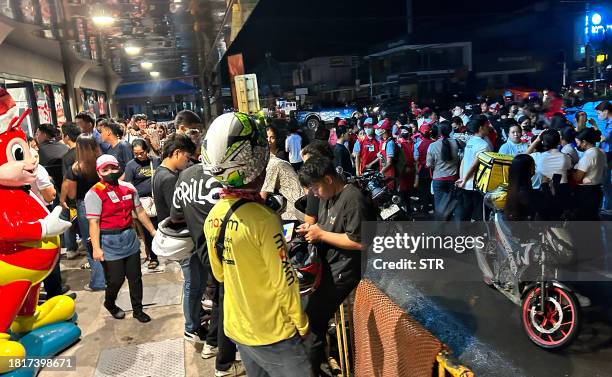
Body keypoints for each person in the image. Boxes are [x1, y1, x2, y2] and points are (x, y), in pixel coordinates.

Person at [202, 112, 310, 377]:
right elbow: (283, 281)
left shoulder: (213, 217)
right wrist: (302, 323)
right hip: (272, 332)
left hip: (237, 326)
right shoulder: (263, 219)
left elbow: (219, 274)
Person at [298, 156, 375, 375]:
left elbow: (360, 241)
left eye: (315, 187)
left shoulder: (353, 198)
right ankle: (321, 361)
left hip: (345, 271)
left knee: (312, 321)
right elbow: (325, 225)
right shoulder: (327, 195)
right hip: (325, 266)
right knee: (308, 315)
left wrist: (321, 234)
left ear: (329, 179)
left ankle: (311, 369)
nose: (313, 193)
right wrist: (311, 230)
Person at [86, 155, 155, 323]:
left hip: (129, 237)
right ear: (99, 173)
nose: (110, 172)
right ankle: (110, 303)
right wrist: (96, 248)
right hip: (109, 241)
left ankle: (138, 310)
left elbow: (139, 212)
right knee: (115, 280)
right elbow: (93, 222)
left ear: (119, 168)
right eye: (105, 169)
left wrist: (153, 232)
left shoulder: (129, 188)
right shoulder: (94, 193)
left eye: (113, 168)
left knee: (135, 277)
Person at [65, 135, 105, 290]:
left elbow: (72, 195)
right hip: (103, 202)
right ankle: (112, 277)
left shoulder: (75, 169)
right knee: (104, 240)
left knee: (90, 243)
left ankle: (99, 282)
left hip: (85, 206)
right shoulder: (102, 164)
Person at [124, 139, 162, 269]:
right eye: (136, 153)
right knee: (147, 231)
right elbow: (129, 185)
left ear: (146, 150)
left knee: (158, 227)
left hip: (156, 200)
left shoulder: (155, 161)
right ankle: (153, 256)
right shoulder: (131, 165)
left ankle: (158, 252)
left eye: (141, 153)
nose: (139, 156)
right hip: (141, 202)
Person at [456, 117, 493, 221]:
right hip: (476, 184)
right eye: (486, 126)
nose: (488, 128)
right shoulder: (483, 145)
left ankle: (464, 234)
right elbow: (474, 165)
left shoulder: (470, 141)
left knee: (466, 211)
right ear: (480, 128)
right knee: (478, 213)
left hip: (466, 183)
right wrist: (464, 178)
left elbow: (463, 160)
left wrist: (462, 178)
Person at [59, 122, 82, 259]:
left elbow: (66, 180)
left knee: (69, 222)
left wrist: (63, 199)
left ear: (67, 136)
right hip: (90, 193)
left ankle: (71, 249)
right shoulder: (87, 151)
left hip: (74, 197)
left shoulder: (67, 157)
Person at [572, 128, 606, 220]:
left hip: (586, 193)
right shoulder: (601, 152)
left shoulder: (588, 156)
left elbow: (577, 177)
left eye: (578, 142)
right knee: (593, 217)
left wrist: (570, 169)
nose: (577, 145)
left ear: (584, 142)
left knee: (584, 219)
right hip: (597, 190)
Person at [426, 122, 461, 212]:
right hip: (454, 179)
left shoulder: (432, 146)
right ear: (450, 130)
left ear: (438, 132)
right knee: (454, 205)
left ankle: (441, 225)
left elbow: (429, 164)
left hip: (438, 179)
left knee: (440, 207)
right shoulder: (457, 142)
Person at [301, 141, 335, 225]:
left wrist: (320, 234)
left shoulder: (318, 189)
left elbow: (309, 222)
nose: (305, 169)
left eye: (309, 164)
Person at [504, 154, 542, 221]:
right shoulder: (524, 193)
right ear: (526, 170)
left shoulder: (513, 186)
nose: (535, 169)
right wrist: (545, 185)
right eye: (533, 166)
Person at [36, 123, 69, 199]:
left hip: (51, 193)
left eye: (37, 134)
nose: (36, 137)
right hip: (70, 188)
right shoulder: (65, 147)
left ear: (44, 134)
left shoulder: (38, 152)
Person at [595, 101, 612, 212]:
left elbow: (604, 138)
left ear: (605, 111)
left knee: (605, 181)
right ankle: (607, 206)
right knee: (605, 181)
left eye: (599, 113)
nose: (598, 116)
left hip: (609, 154)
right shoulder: (608, 122)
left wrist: (595, 127)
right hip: (607, 153)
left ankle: (608, 207)